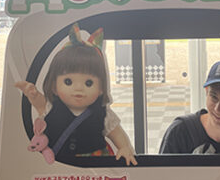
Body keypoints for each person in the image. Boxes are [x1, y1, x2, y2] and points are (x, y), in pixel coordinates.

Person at [15, 24, 137, 166]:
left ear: (101, 89)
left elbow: (116, 133)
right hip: (61, 164)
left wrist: (124, 148)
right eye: (68, 82)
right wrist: (32, 94)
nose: (79, 89)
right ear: (54, 86)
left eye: (89, 83)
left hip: (96, 162)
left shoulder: (104, 113)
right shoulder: (52, 107)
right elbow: (40, 104)